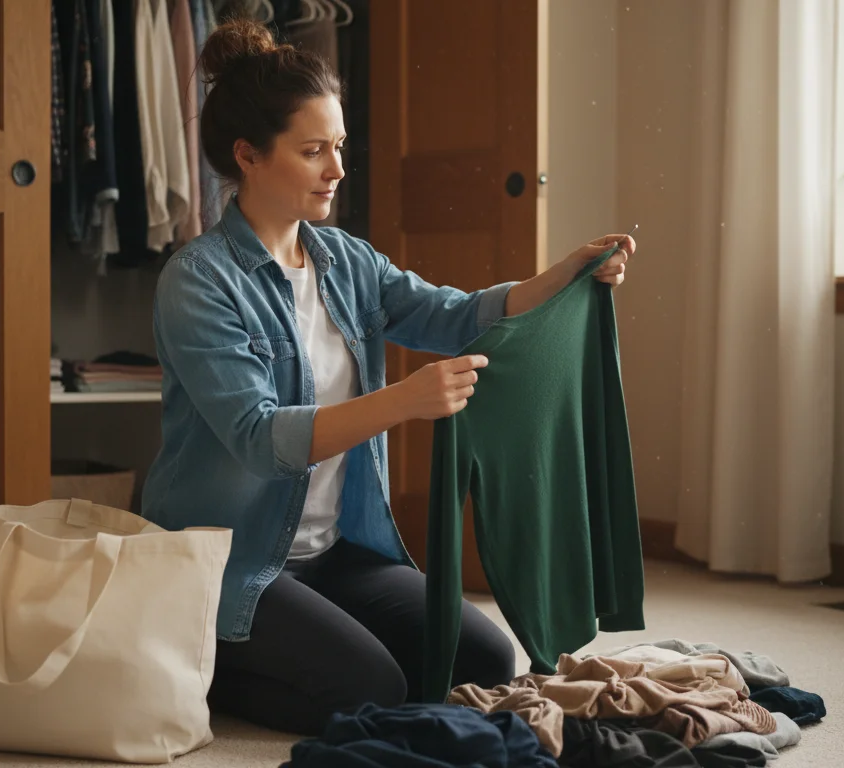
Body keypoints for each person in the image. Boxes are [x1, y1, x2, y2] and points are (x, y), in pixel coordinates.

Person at [140, 19, 636, 736]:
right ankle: (198, 664)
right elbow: (257, 438)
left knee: (483, 659)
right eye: (313, 151)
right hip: (230, 555)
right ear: (248, 155)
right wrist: (402, 401)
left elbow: (457, 316)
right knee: (374, 687)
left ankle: (306, 647)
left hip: (335, 553)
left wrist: (565, 275)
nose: (337, 169)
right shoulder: (197, 282)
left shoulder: (346, 260)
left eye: (337, 146)